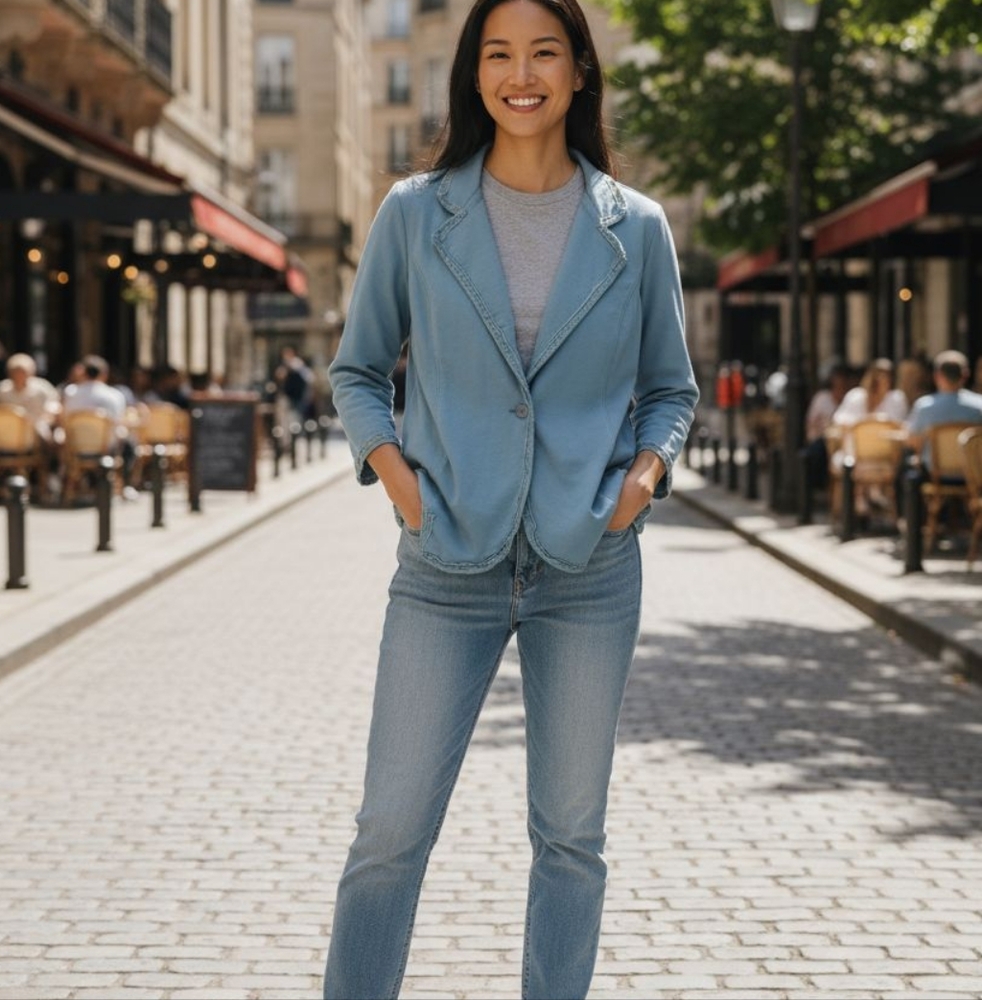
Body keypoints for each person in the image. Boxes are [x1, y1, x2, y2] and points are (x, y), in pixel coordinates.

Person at [321, 0, 698, 995]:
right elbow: (358, 370)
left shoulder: (639, 227)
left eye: (541, 52)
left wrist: (640, 482)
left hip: (590, 568)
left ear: (577, 71)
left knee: (571, 836)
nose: (518, 73)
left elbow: (670, 387)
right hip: (445, 564)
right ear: (473, 73)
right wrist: (400, 483)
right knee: (389, 829)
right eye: (497, 53)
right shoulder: (415, 212)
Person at [905, 349, 982, 467]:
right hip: (973, 475)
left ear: (937, 376)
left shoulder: (924, 406)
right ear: (965, 375)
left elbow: (913, 442)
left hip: (935, 476)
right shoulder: (979, 405)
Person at [832, 357, 909, 427]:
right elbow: (839, 419)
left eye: (885, 377)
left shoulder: (897, 398)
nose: (880, 381)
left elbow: (899, 424)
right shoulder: (855, 395)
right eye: (875, 378)